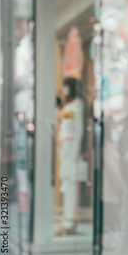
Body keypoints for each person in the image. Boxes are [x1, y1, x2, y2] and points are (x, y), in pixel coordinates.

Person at [57, 77, 85, 235]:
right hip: (64, 149)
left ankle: (69, 221)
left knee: (69, 186)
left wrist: (74, 152)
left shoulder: (77, 105)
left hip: (70, 150)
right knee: (66, 184)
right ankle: (67, 220)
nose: (63, 89)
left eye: (65, 86)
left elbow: (78, 129)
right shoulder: (68, 105)